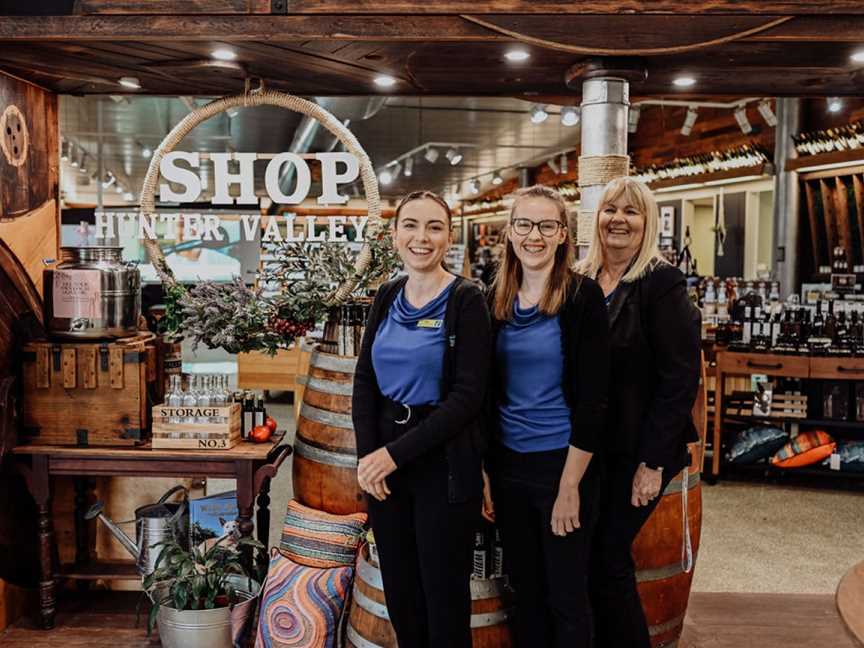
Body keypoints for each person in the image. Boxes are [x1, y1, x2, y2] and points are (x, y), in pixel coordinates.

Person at [351, 190, 491, 648]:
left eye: (434, 227)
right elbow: (365, 379)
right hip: (387, 470)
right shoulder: (388, 294)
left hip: (444, 466)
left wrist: (390, 455)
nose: (421, 237)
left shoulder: (468, 300)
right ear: (394, 235)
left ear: (449, 236)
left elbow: (467, 398)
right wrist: (369, 456)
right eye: (410, 225)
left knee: (444, 601)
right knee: (403, 597)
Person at [481, 185, 610, 648]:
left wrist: (570, 487)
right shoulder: (492, 298)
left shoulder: (582, 297)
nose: (533, 236)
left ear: (562, 235)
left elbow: (596, 399)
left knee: (567, 596)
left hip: (562, 465)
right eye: (524, 224)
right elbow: (482, 395)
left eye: (546, 225)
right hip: (509, 466)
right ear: (510, 233)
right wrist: (487, 471)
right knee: (526, 593)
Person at [578, 177, 701, 648]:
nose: (619, 220)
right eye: (611, 209)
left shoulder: (661, 283)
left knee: (607, 557)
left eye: (631, 212)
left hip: (638, 452)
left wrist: (651, 463)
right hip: (589, 452)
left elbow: (679, 379)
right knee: (587, 558)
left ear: (647, 222)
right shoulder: (582, 279)